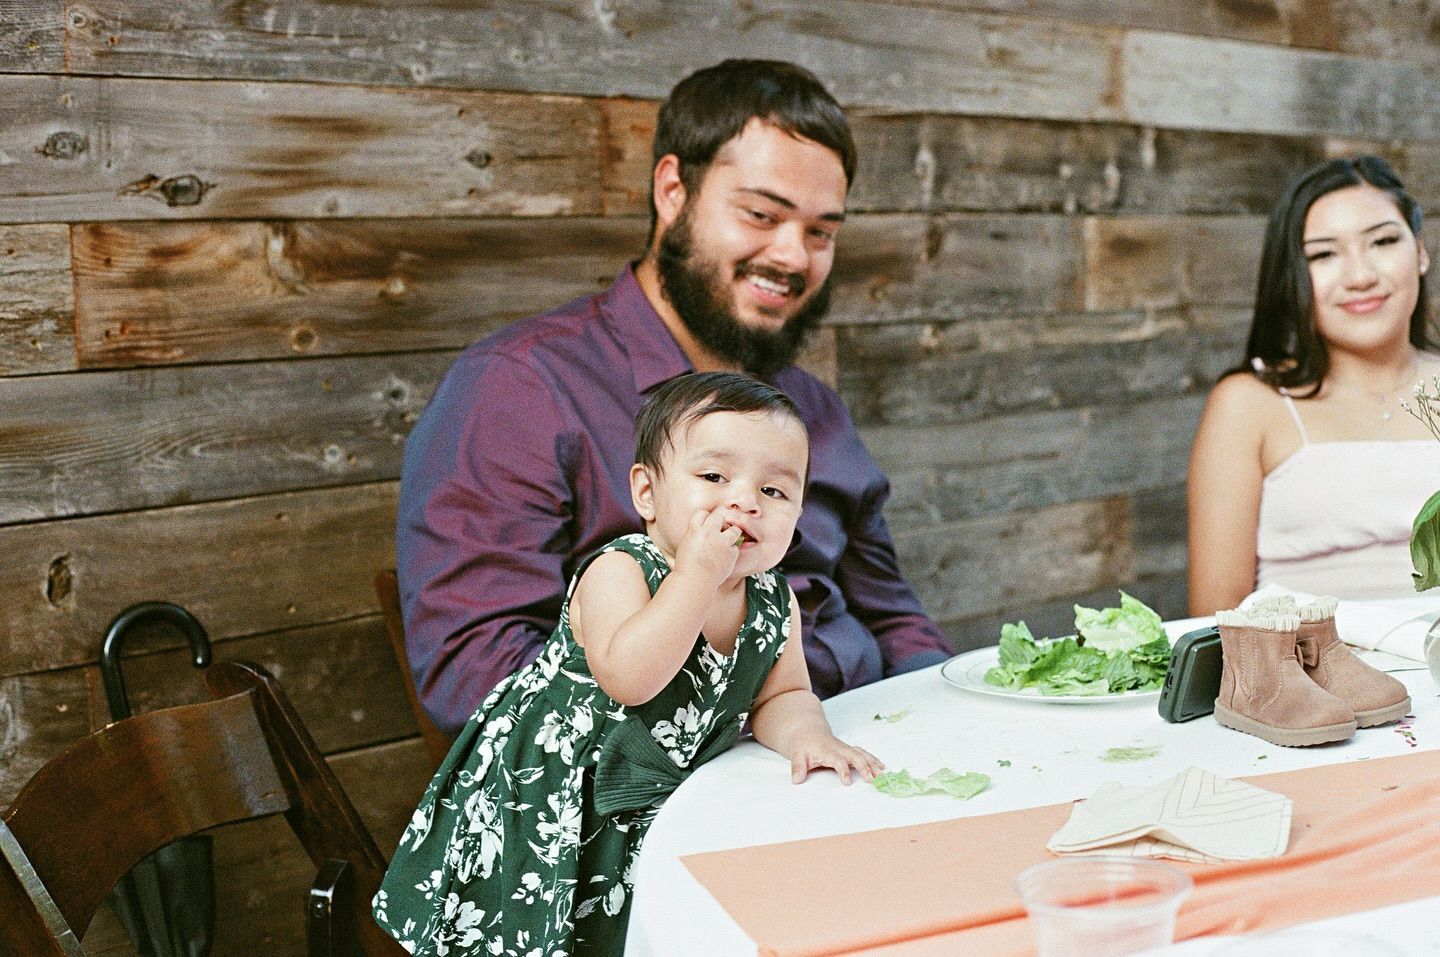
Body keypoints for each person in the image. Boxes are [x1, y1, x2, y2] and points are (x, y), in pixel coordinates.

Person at [398, 58, 952, 734]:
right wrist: (739, 724)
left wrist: (951, 725)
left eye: (821, 232)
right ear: (671, 190)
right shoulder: (520, 387)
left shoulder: (809, 408)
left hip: (861, 748)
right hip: (671, 793)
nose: (794, 256)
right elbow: (477, 676)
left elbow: (897, 621)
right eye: (761, 214)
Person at [373, 372, 883, 956]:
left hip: (662, 801)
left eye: (774, 492)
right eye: (714, 476)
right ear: (647, 493)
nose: (744, 501)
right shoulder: (620, 570)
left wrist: (807, 738)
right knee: (539, 935)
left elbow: (782, 696)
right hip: (555, 796)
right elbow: (631, 678)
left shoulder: (773, 600)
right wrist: (696, 577)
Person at [1187, 155, 1440, 615]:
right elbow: (1214, 620)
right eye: (1323, 254)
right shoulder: (1249, 404)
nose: (1361, 276)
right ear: (1293, 278)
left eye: (1383, 241)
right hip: (1304, 678)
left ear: (1420, 251)